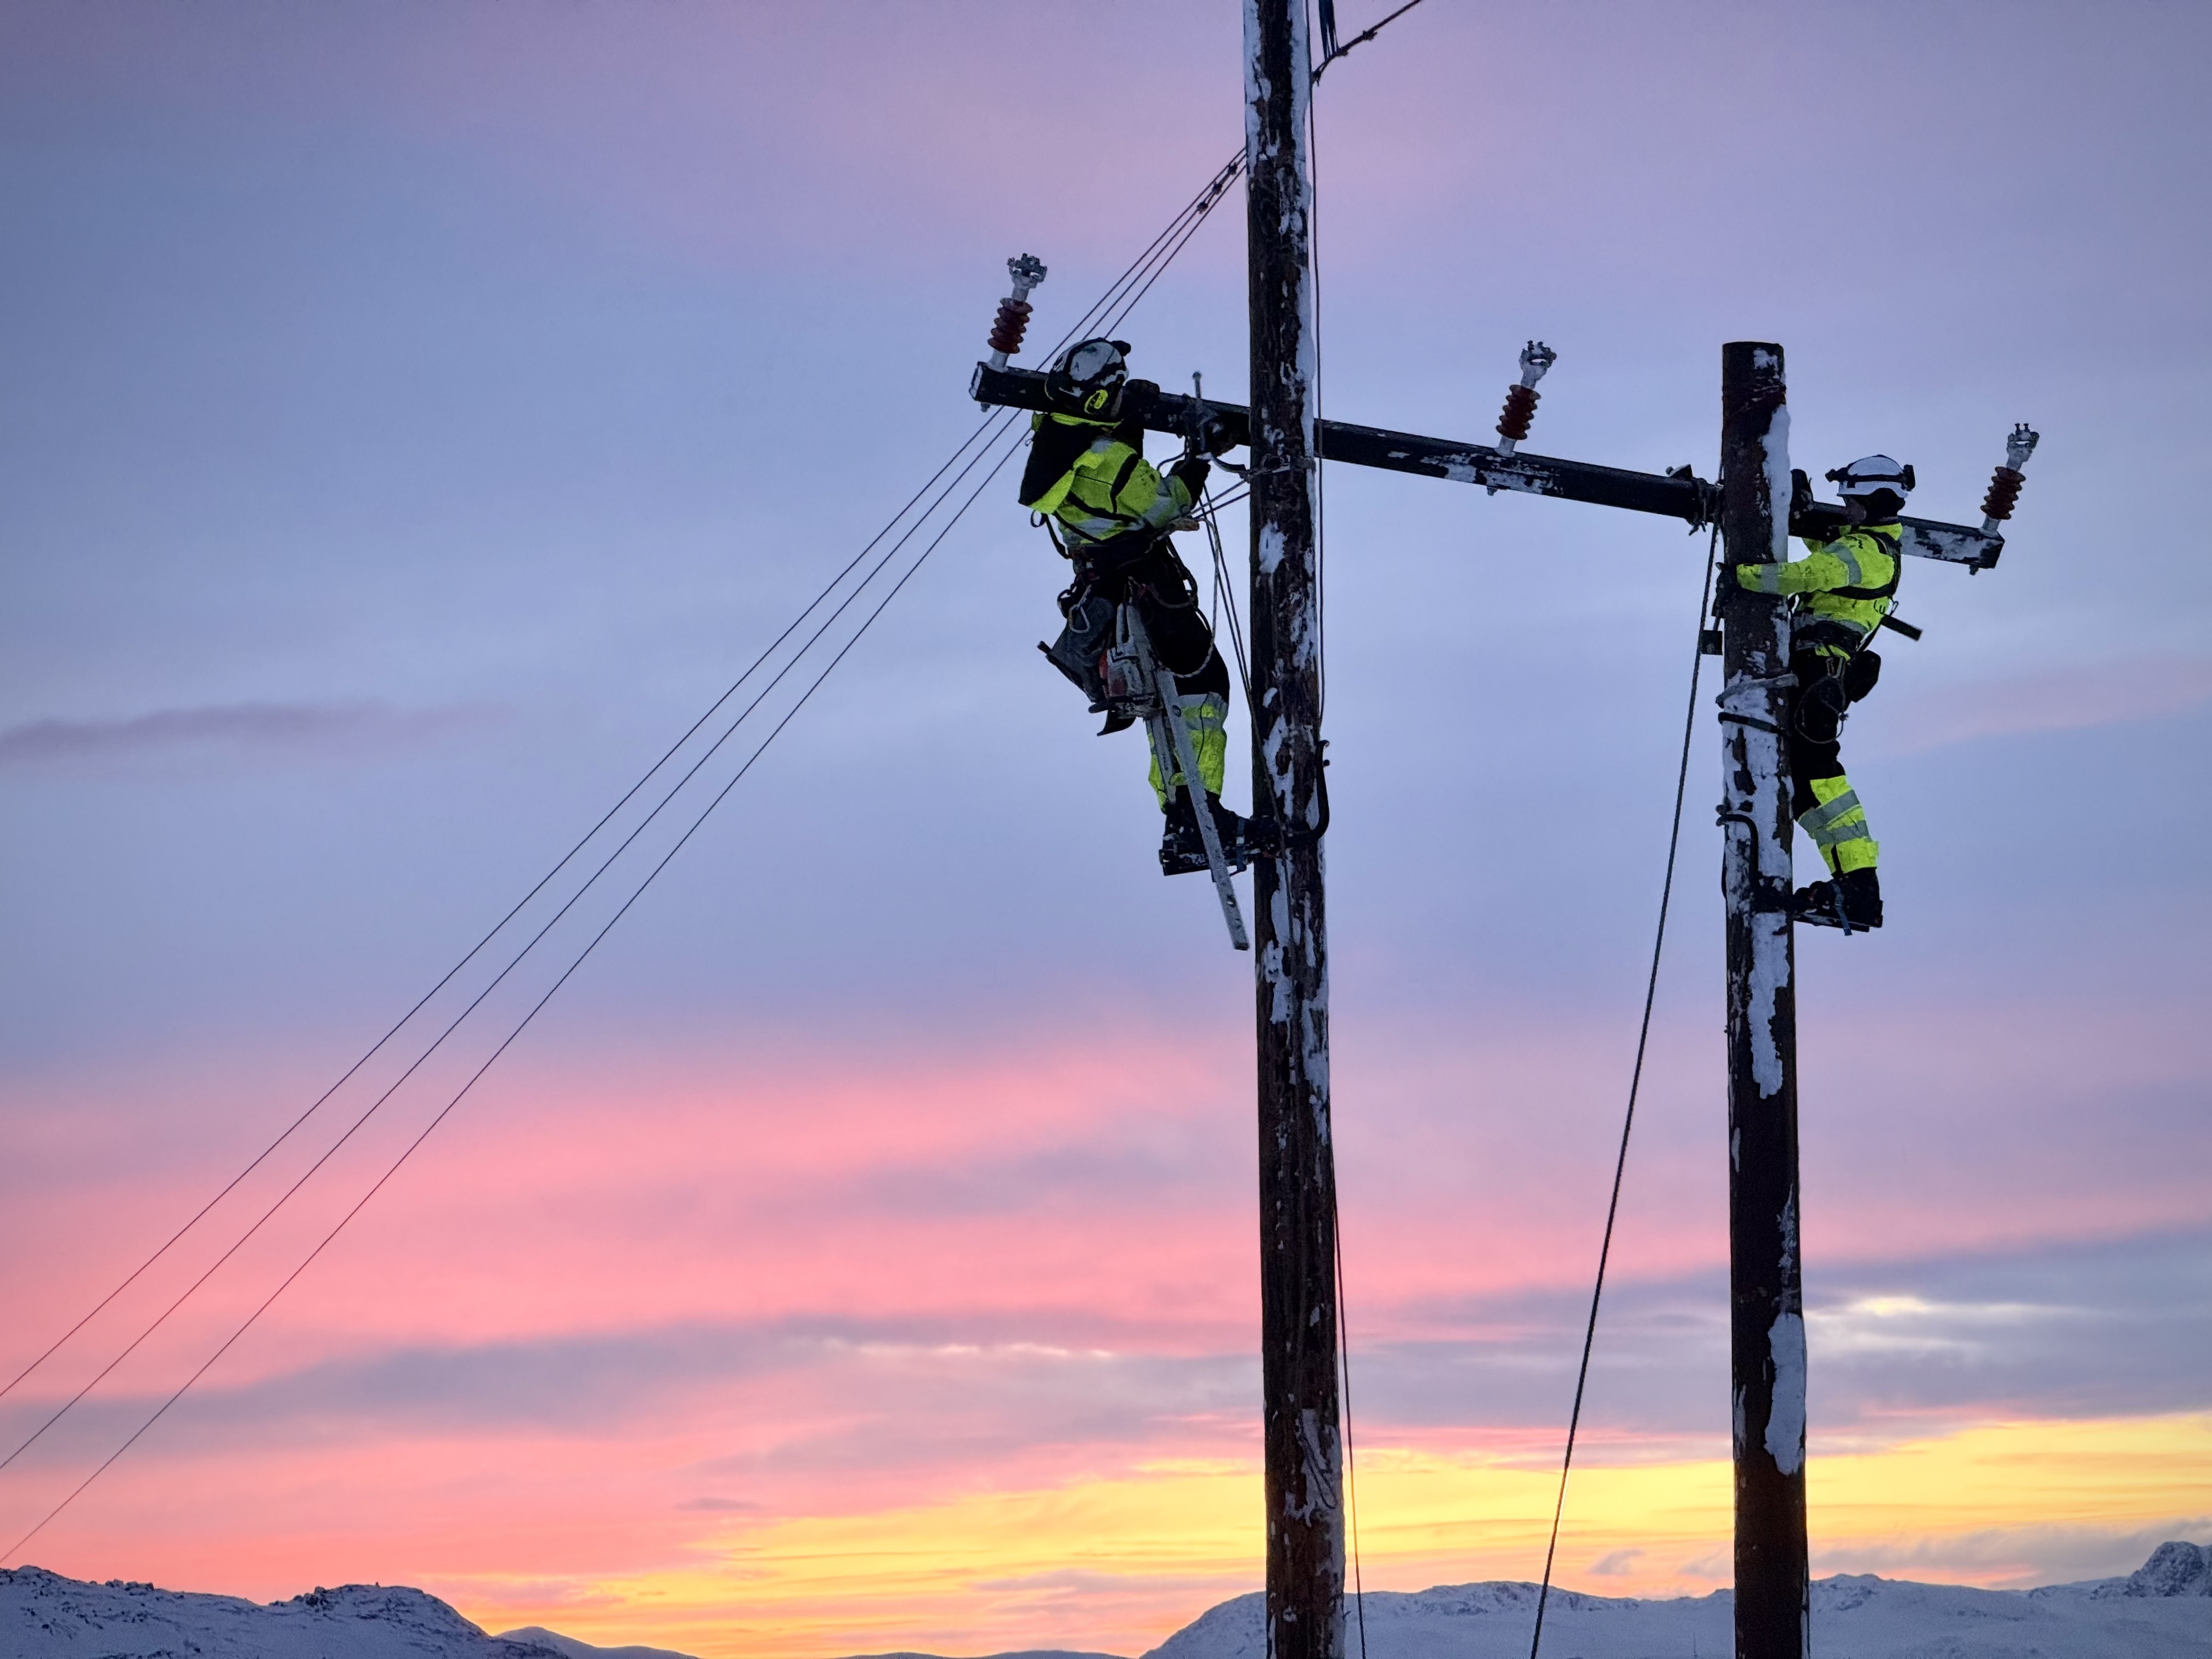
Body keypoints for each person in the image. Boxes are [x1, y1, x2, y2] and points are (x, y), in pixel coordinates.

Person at [1018, 337, 1263, 874]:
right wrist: (1198, 458)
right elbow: (1163, 502)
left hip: (1106, 591)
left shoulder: (1054, 437)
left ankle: (1182, 819)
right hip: (1147, 588)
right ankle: (1201, 819)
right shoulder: (1107, 464)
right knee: (1201, 690)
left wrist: (1135, 419)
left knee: (1165, 708)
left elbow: (1099, 446)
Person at [1730, 454, 1913, 931]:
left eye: (1852, 500)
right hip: (1815, 672)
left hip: (1820, 672)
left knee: (1817, 774)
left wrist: (1742, 578)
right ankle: (1852, 887)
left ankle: (1859, 888)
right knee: (1805, 781)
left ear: (1873, 499)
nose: (1846, 507)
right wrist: (1798, 509)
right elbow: (1824, 551)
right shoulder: (1863, 547)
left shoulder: (1869, 554)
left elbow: (1807, 575)